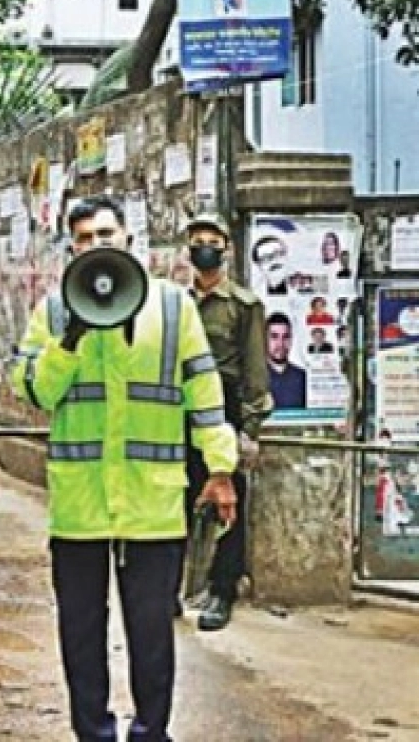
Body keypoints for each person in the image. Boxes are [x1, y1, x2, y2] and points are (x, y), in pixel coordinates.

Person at [11, 197, 237, 742]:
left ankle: (151, 732)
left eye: (106, 233)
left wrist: (220, 468)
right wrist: (72, 339)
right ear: (72, 247)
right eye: (84, 237)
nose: (97, 245)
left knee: (152, 630)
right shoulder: (55, 311)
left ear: (129, 238)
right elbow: (35, 390)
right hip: (80, 507)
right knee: (81, 632)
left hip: (152, 503)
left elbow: (203, 391)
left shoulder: (172, 307)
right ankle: (93, 732)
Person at [176, 214, 273, 633]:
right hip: (181, 406)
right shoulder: (177, 304)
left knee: (227, 503)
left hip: (226, 407)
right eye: (196, 241)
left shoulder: (244, 306)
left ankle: (222, 591)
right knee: (179, 497)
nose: (203, 247)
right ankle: (174, 589)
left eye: (211, 241)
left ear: (227, 249)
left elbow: (255, 372)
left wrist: (249, 429)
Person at [266, 312, 307, 409]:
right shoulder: (253, 380)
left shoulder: (304, 378)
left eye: (286, 337)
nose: (280, 344)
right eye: (274, 337)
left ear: (291, 339)